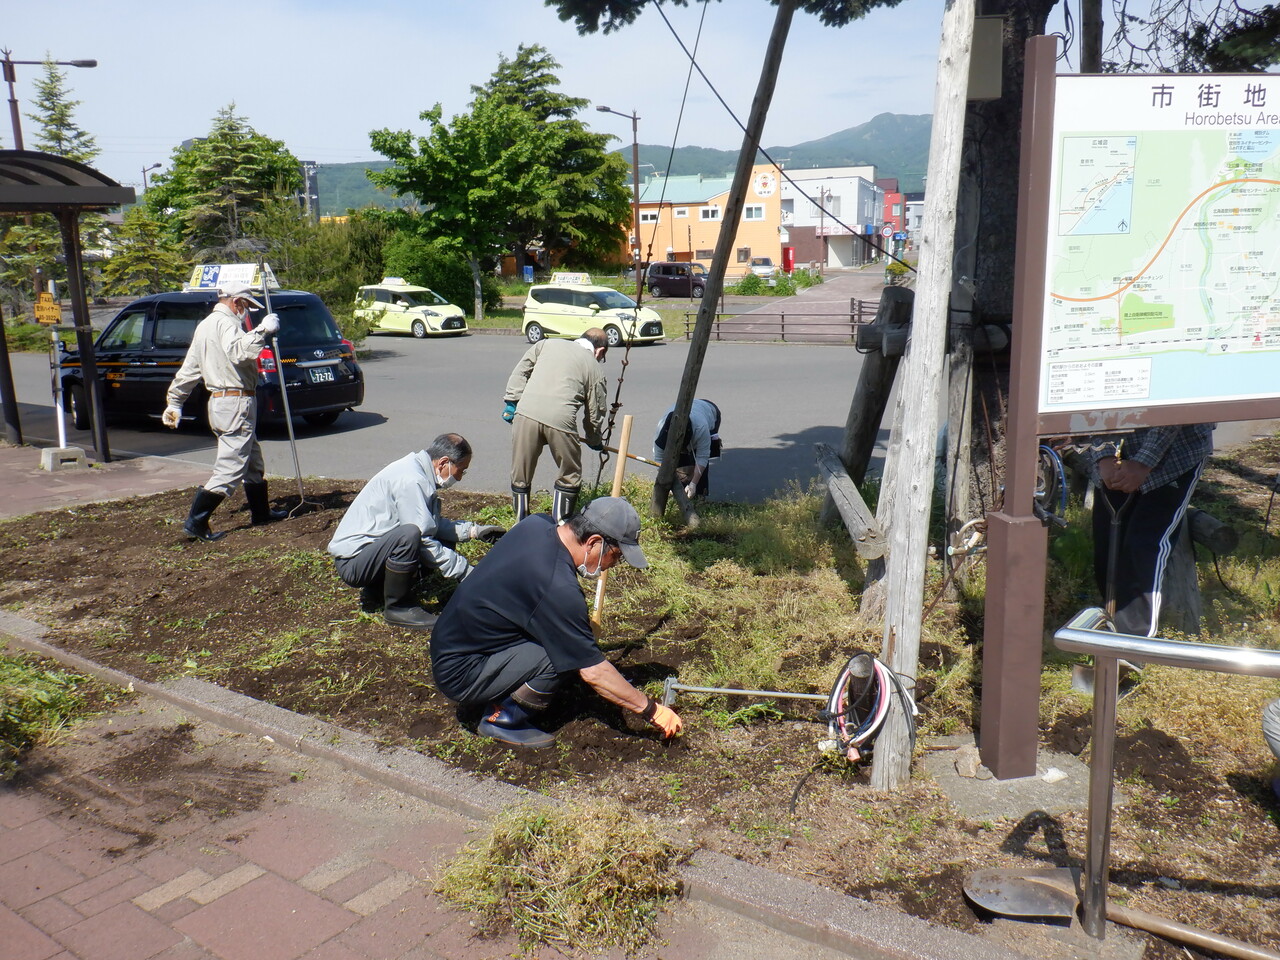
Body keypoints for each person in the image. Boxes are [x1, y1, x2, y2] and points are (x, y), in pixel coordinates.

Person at [429, 497, 683, 749]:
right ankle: (503, 718)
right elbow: (593, 670)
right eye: (616, 557)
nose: (611, 566)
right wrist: (650, 710)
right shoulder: (556, 586)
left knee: (569, 641)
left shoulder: (536, 525)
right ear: (594, 542)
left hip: (452, 642)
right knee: (563, 653)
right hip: (462, 672)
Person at [326, 434, 505, 631]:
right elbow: (422, 536)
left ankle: (378, 590)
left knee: (430, 537)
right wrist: (466, 572)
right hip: (354, 562)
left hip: (369, 554)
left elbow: (430, 524)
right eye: (461, 470)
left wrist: (473, 531)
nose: (460, 477)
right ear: (444, 463)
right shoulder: (413, 480)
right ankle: (398, 608)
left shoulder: (417, 469)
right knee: (410, 535)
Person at [162, 281, 286, 542]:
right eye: (247, 306)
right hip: (235, 402)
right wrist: (262, 330)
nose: (248, 312)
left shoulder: (205, 325)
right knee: (230, 468)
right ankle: (196, 522)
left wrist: (175, 401)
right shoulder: (227, 324)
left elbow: (190, 368)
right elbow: (240, 352)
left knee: (252, 461)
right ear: (236, 302)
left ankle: (261, 513)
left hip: (222, 403)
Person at [1090, 423, 1214, 637]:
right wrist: (1104, 455)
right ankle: (1110, 626)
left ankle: (1131, 644)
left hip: (1175, 453)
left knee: (1144, 544)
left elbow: (1174, 411)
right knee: (1107, 543)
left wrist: (1142, 464)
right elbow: (1093, 404)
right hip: (1122, 449)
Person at [502, 328, 608, 523]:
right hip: (561, 421)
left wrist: (512, 401)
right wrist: (594, 439)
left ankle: (520, 524)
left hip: (525, 414)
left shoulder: (545, 344)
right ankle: (561, 526)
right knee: (570, 473)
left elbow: (521, 370)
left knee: (521, 473)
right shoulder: (593, 367)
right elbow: (595, 411)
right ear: (600, 351)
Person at [653, 398, 722, 499]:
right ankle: (682, 490)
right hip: (695, 411)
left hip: (709, 411)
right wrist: (668, 480)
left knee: (696, 459)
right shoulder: (661, 430)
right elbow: (659, 461)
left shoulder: (701, 428)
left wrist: (693, 484)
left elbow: (702, 456)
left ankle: (700, 494)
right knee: (681, 462)